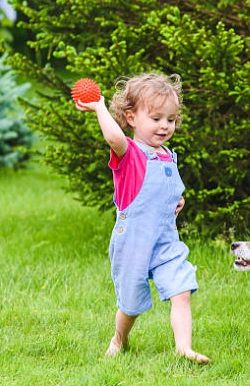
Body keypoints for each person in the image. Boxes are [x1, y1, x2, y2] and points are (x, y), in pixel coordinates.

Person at [75, 72, 210, 363]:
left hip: (165, 240)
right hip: (133, 242)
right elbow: (113, 136)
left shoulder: (167, 156)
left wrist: (177, 202)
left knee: (182, 289)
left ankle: (183, 348)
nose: (165, 126)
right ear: (132, 118)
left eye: (171, 119)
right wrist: (99, 106)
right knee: (131, 304)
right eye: (156, 118)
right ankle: (119, 339)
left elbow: (166, 193)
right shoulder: (130, 154)